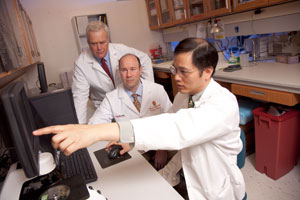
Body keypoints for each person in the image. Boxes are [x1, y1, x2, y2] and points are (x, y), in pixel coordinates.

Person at [33, 38, 246, 200]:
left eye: (183, 71)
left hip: (216, 189)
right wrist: (130, 142)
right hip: (190, 174)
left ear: (207, 71)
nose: (176, 77)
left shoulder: (223, 104)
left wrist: (95, 132)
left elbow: (177, 129)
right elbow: (172, 124)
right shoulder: (185, 95)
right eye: (175, 69)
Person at [89, 53, 172, 170]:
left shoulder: (157, 90)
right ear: (120, 73)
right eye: (124, 70)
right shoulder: (112, 98)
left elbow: (171, 120)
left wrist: (162, 149)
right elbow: (94, 125)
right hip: (133, 150)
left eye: (133, 69)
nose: (129, 74)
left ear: (140, 70)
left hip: (159, 144)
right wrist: (112, 136)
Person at [72, 21, 154, 124]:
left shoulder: (120, 49)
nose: (99, 48)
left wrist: (148, 89)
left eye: (102, 42)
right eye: (94, 44)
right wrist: (79, 126)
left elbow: (145, 59)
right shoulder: (81, 63)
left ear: (108, 40)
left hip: (128, 99)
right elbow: (80, 97)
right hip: (104, 104)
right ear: (88, 43)